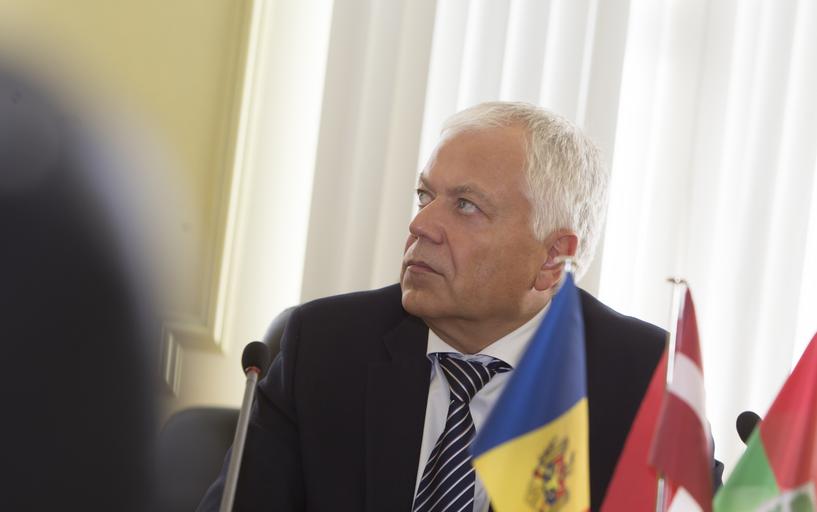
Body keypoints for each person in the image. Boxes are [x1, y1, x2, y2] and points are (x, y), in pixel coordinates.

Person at [199, 102, 719, 511]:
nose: (420, 225)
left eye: (466, 206)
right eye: (425, 197)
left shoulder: (648, 381)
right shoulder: (326, 346)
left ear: (552, 258)